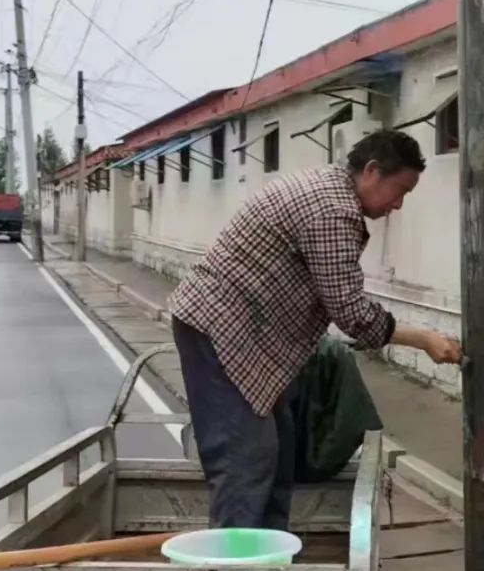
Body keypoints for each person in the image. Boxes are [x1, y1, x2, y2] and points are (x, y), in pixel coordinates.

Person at [170, 130, 461, 528]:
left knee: (278, 451)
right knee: (246, 460)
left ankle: (271, 559)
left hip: (253, 340)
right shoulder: (333, 210)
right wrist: (424, 339)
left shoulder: (328, 188)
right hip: (223, 331)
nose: (398, 204)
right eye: (400, 191)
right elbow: (349, 310)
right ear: (372, 171)